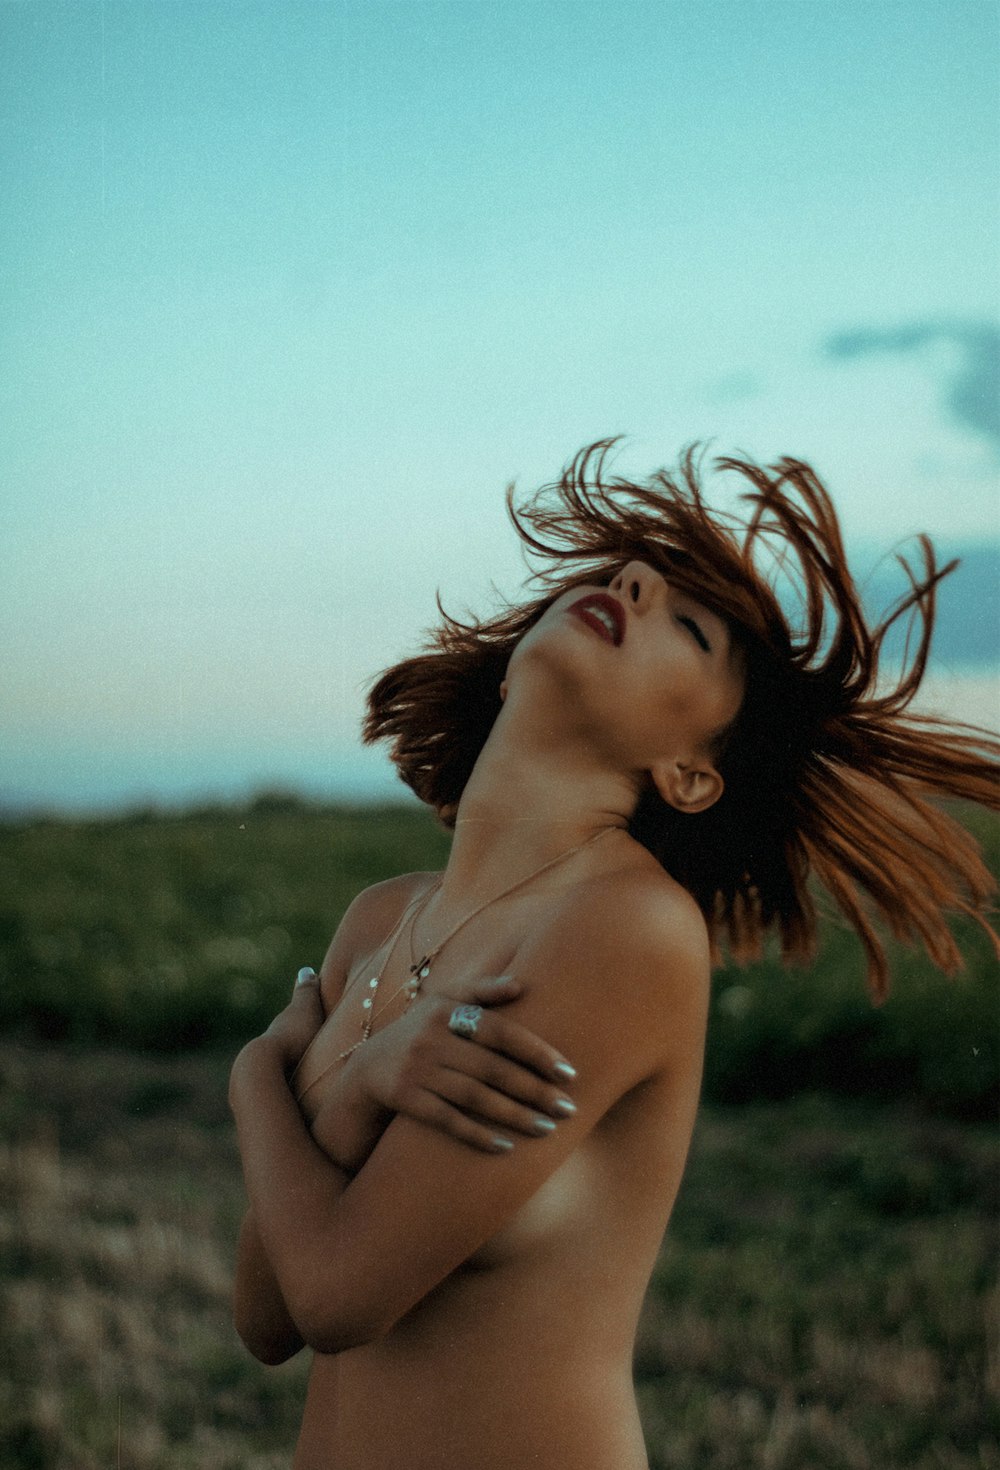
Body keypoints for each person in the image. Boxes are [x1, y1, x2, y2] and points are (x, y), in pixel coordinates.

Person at [229, 440, 998, 1469]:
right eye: (622, 576)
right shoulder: (380, 921)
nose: (629, 583)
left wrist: (255, 1078)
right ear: (510, 669)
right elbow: (263, 1316)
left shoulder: (625, 931)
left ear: (688, 774)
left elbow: (335, 1297)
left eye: (686, 626)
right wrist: (360, 1082)